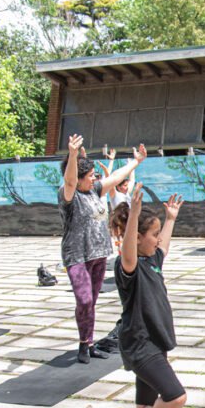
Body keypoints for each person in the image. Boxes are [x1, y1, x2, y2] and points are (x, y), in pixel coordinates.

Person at [110, 184, 187, 408]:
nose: (156, 240)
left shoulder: (152, 260)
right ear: (137, 238)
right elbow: (129, 248)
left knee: (144, 405)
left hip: (156, 342)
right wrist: (135, 218)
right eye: (151, 235)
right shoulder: (128, 265)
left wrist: (170, 219)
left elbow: (163, 246)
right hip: (140, 345)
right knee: (175, 397)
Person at [59, 134, 147, 364]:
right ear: (78, 179)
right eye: (89, 176)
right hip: (77, 256)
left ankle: (86, 343)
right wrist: (73, 154)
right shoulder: (70, 195)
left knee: (92, 301)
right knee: (85, 300)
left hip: (99, 254)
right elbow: (69, 181)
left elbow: (117, 176)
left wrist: (135, 162)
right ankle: (83, 344)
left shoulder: (95, 191)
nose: (94, 179)